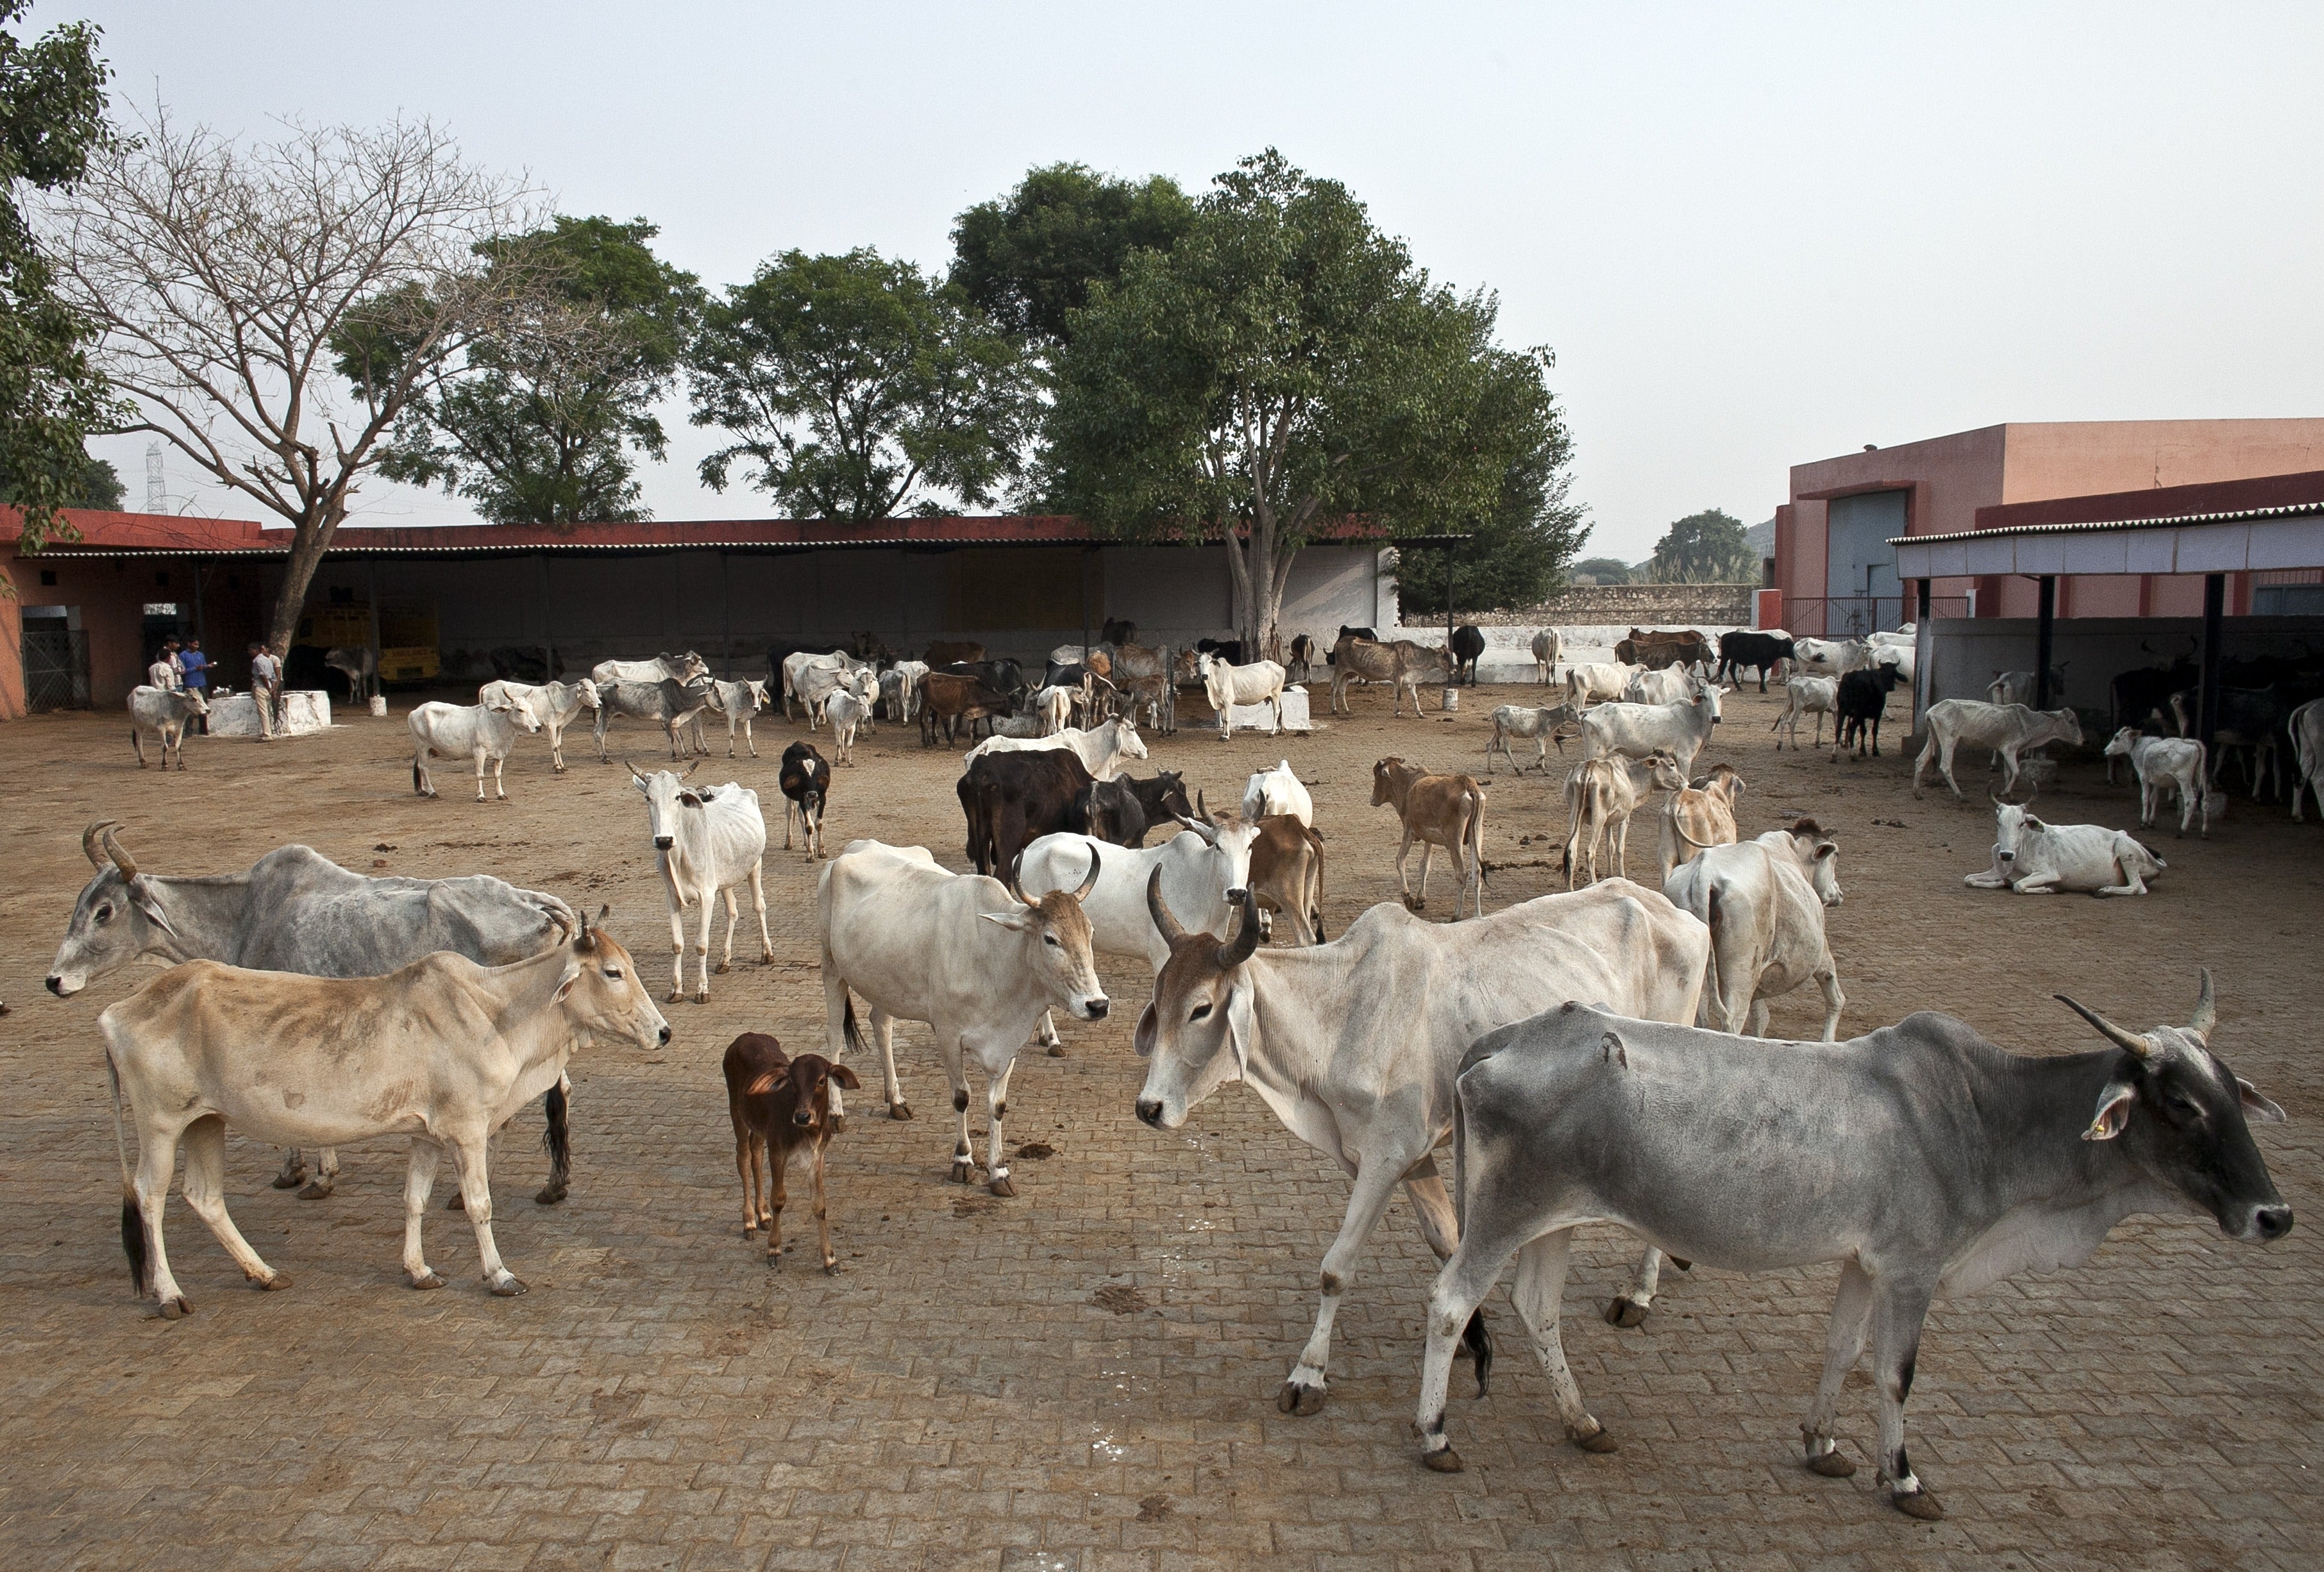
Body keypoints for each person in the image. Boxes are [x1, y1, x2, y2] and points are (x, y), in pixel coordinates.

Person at [248, 641, 283, 740]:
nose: (249, 652)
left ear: (256, 650)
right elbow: (274, 676)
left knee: (263, 712)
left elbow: (262, 675)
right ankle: (270, 730)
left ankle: (267, 734)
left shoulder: (257, 661)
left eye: (251, 650)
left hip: (261, 687)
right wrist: (273, 689)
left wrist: (269, 688)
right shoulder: (267, 660)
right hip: (269, 687)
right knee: (268, 710)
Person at [179, 638, 209, 733]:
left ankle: (203, 729)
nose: (197, 647)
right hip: (190, 684)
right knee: (190, 708)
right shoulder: (183, 655)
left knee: (203, 706)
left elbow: (204, 667)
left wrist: (207, 667)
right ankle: (189, 730)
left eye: (198, 645)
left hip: (202, 683)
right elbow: (182, 671)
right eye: (195, 644)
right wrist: (195, 668)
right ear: (189, 644)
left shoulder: (201, 655)